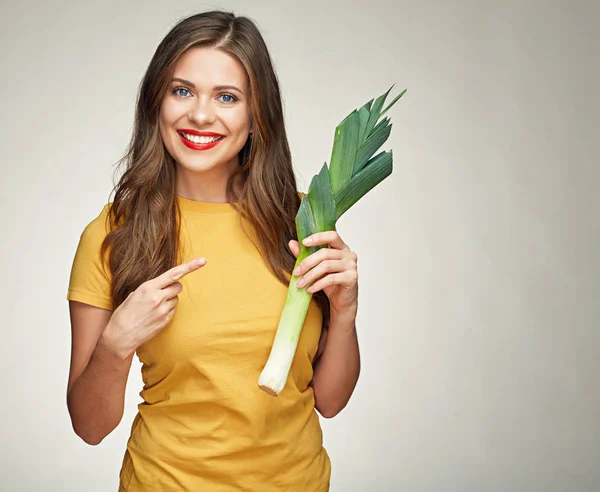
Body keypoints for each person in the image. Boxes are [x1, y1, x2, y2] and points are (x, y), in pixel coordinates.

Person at [66, 9, 360, 491]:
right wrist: (115, 345)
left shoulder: (306, 222)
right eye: (182, 91)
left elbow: (328, 400)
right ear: (156, 101)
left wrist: (345, 313)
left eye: (227, 97)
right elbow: (89, 426)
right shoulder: (112, 233)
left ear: (256, 114)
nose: (200, 115)